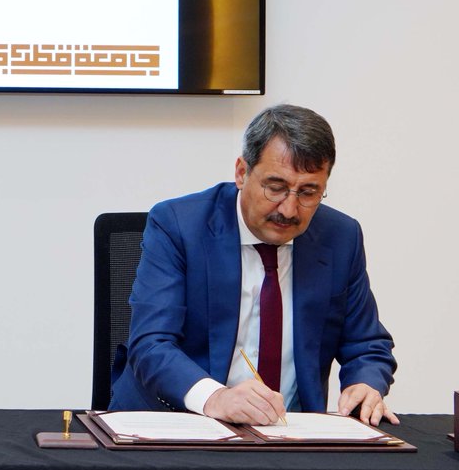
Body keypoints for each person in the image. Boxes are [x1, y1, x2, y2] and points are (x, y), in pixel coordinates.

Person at [109, 104, 396, 426]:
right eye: (275, 187)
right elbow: (151, 344)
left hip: (291, 432)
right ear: (242, 173)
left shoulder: (340, 237)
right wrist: (216, 397)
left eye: (308, 192)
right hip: (176, 421)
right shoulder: (178, 225)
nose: (288, 209)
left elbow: (366, 343)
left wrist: (366, 382)